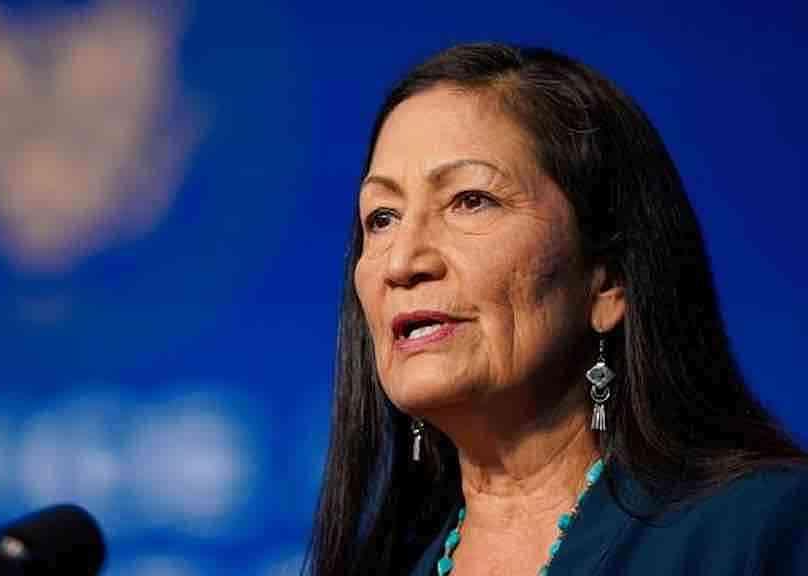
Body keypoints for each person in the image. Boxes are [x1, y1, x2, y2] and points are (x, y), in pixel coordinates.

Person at [304, 43, 808, 576]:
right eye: (382, 217)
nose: (402, 262)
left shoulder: (764, 531)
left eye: (470, 200)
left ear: (608, 279)